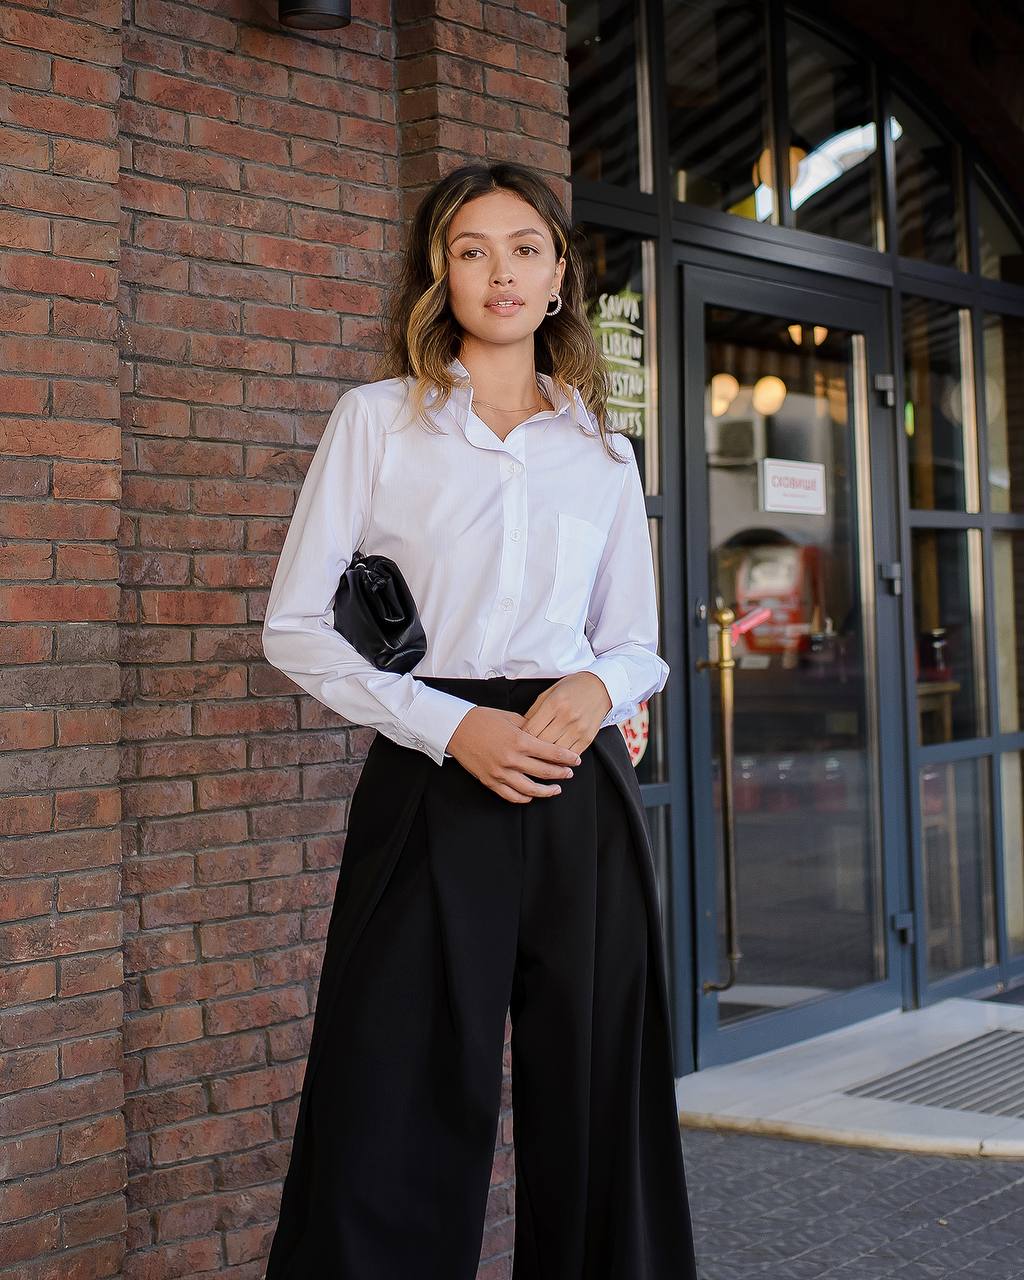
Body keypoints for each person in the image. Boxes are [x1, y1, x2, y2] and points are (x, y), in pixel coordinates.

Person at [260, 160, 698, 1280]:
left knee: (598, 1090)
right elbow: (296, 625)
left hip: (576, 780)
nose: (497, 270)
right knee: (392, 1091)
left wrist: (600, 689)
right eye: (468, 249)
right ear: (437, 275)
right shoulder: (377, 421)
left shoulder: (602, 451)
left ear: (559, 275)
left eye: (521, 247)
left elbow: (637, 639)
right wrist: (453, 728)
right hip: (431, 771)